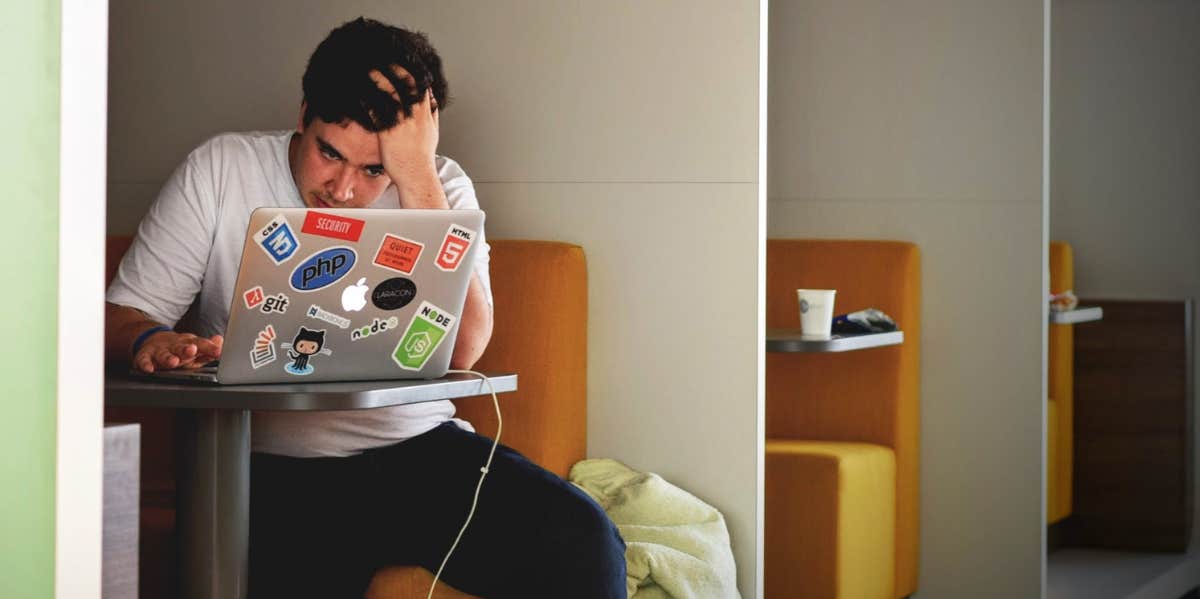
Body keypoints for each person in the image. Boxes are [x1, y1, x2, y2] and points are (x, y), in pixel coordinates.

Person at [105, 17, 626, 598]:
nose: (344, 189)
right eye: (329, 153)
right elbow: (120, 315)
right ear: (303, 115)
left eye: (373, 168)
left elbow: (464, 347)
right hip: (266, 467)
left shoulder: (440, 187)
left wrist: (415, 176)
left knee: (587, 542)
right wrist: (151, 340)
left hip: (418, 452)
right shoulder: (222, 169)